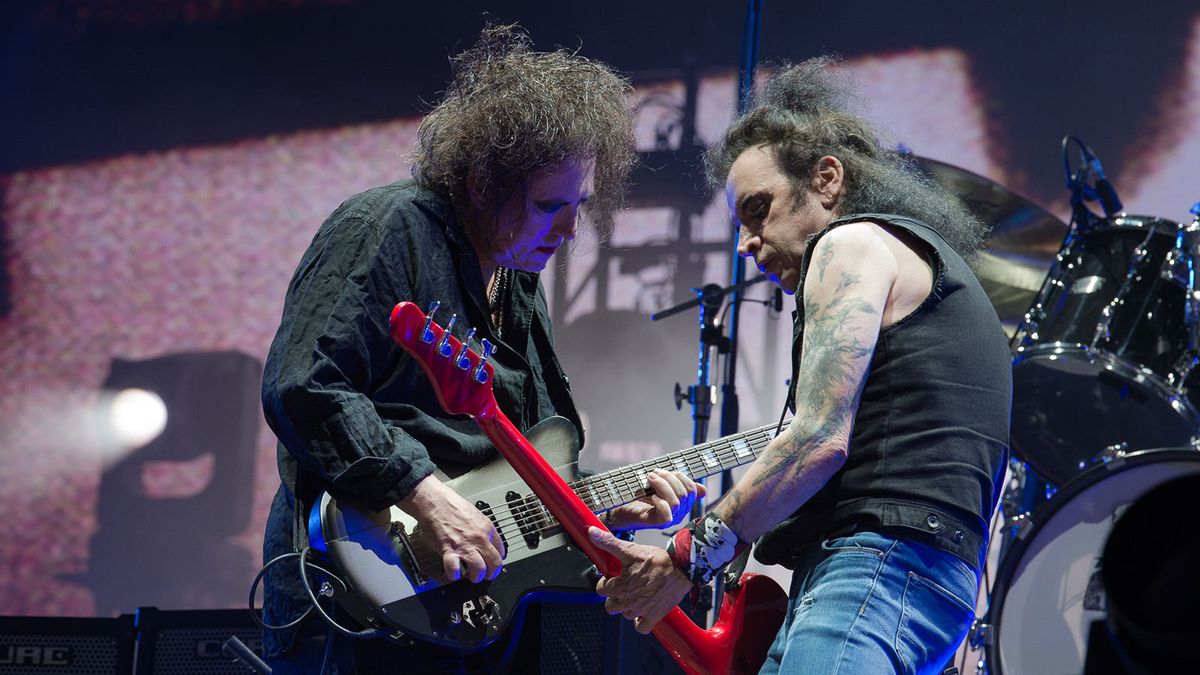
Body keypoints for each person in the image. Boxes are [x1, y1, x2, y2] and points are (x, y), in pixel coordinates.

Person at [260, 23, 703, 674]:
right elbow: (303, 384)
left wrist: (609, 509)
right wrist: (424, 492)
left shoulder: (521, 286)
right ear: (481, 181)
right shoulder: (386, 228)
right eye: (551, 204)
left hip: (469, 613)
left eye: (579, 204)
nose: (572, 228)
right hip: (359, 602)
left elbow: (529, 460)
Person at [590, 57, 1011, 674]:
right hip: (916, 578)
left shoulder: (850, 244)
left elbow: (816, 438)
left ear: (828, 180)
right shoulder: (920, 270)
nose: (745, 244)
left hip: (872, 573)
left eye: (759, 210)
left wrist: (685, 557)